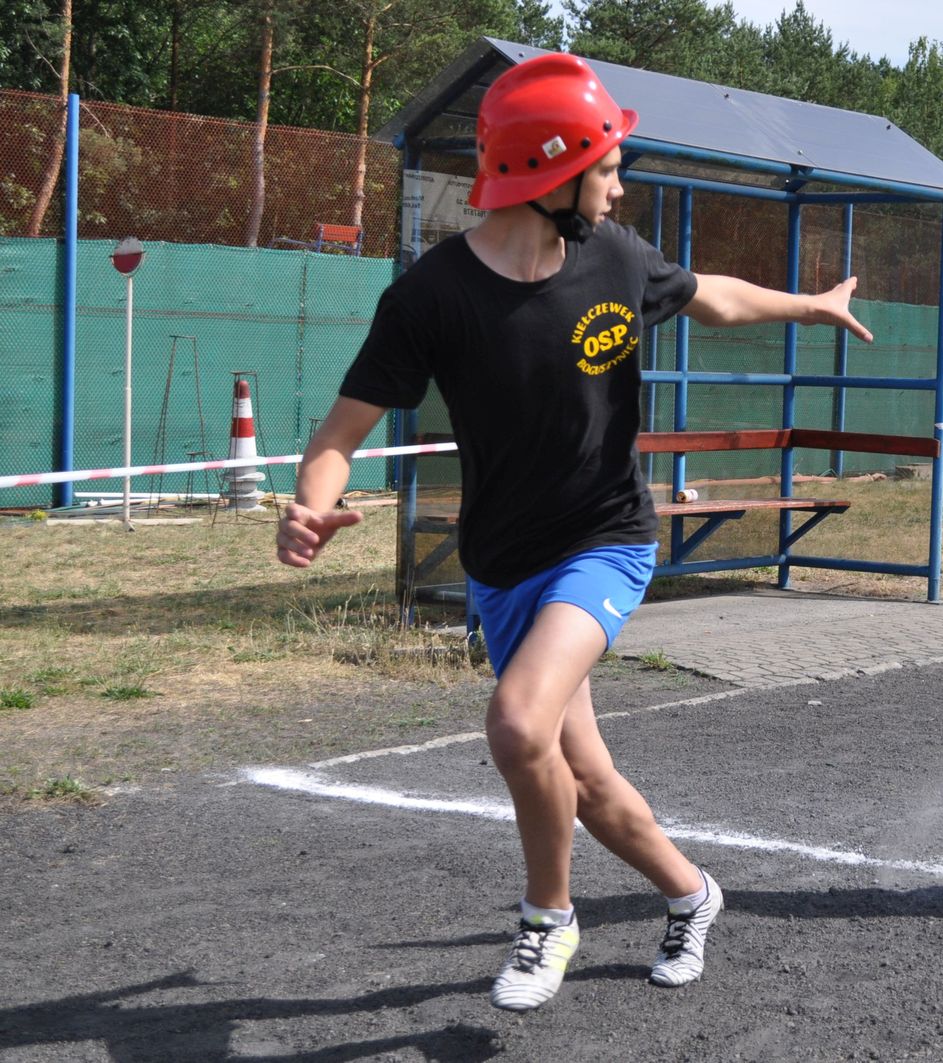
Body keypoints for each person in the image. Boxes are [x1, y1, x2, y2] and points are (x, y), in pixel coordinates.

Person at [276, 53, 872, 1009]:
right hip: (505, 562)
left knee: (518, 725)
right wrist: (311, 504)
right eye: (609, 167)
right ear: (552, 174)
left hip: (607, 537)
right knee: (581, 777)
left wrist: (813, 304)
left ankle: (546, 920)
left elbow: (715, 296)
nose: (620, 187)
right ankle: (693, 893)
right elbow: (339, 435)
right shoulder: (431, 297)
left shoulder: (616, 257)